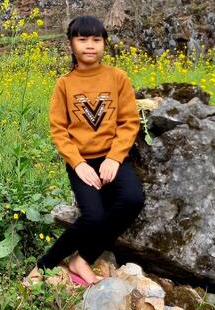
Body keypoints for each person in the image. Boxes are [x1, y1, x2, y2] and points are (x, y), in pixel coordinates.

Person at [22, 15, 145, 288]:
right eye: (83, 39)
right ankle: (44, 265)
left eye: (96, 40)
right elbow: (59, 130)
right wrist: (78, 164)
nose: (90, 45)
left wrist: (114, 157)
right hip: (81, 163)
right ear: (70, 45)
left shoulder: (117, 78)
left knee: (133, 199)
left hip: (113, 157)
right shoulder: (64, 84)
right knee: (94, 216)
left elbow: (129, 121)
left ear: (104, 44)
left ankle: (83, 258)